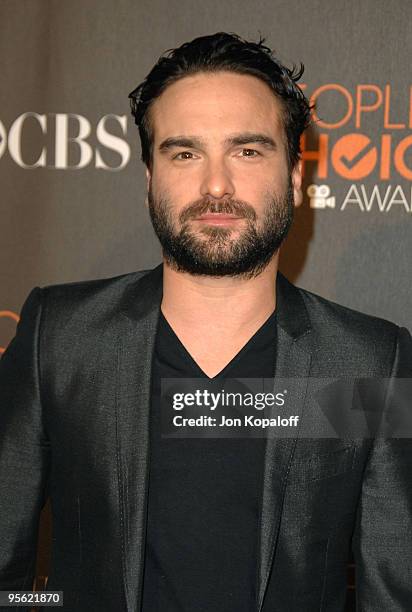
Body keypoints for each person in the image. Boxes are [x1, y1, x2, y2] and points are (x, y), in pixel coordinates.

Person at [0, 32, 411, 612]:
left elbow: (393, 589)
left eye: (247, 151)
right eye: (185, 153)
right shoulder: (61, 341)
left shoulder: (370, 365)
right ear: (149, 179)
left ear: (296, 176)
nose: (215, 184)